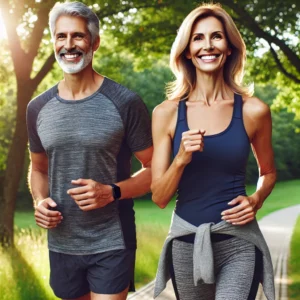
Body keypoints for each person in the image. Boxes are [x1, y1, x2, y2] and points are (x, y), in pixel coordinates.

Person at [26, 2, 153, 300]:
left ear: (94, 42)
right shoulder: (37, 108)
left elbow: (155, 170)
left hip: (112, 240)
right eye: (61, 37)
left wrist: (112, 192)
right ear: (54, 42)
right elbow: (39, 169)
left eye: (78, 36)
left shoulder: (125, 102)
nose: (69, 45)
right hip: (61, 244)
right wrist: (40, 201)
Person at [151, 3, 276, 300]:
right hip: (186, 242)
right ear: (187, 52)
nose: (208, 45)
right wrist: (180, 159)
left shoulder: (254, 111)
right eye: (198, 38)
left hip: (238, 241)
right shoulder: (165, 113)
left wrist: (256, 199)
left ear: (229, 47)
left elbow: (268, 172)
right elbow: (158, 196)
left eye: (216, 37)